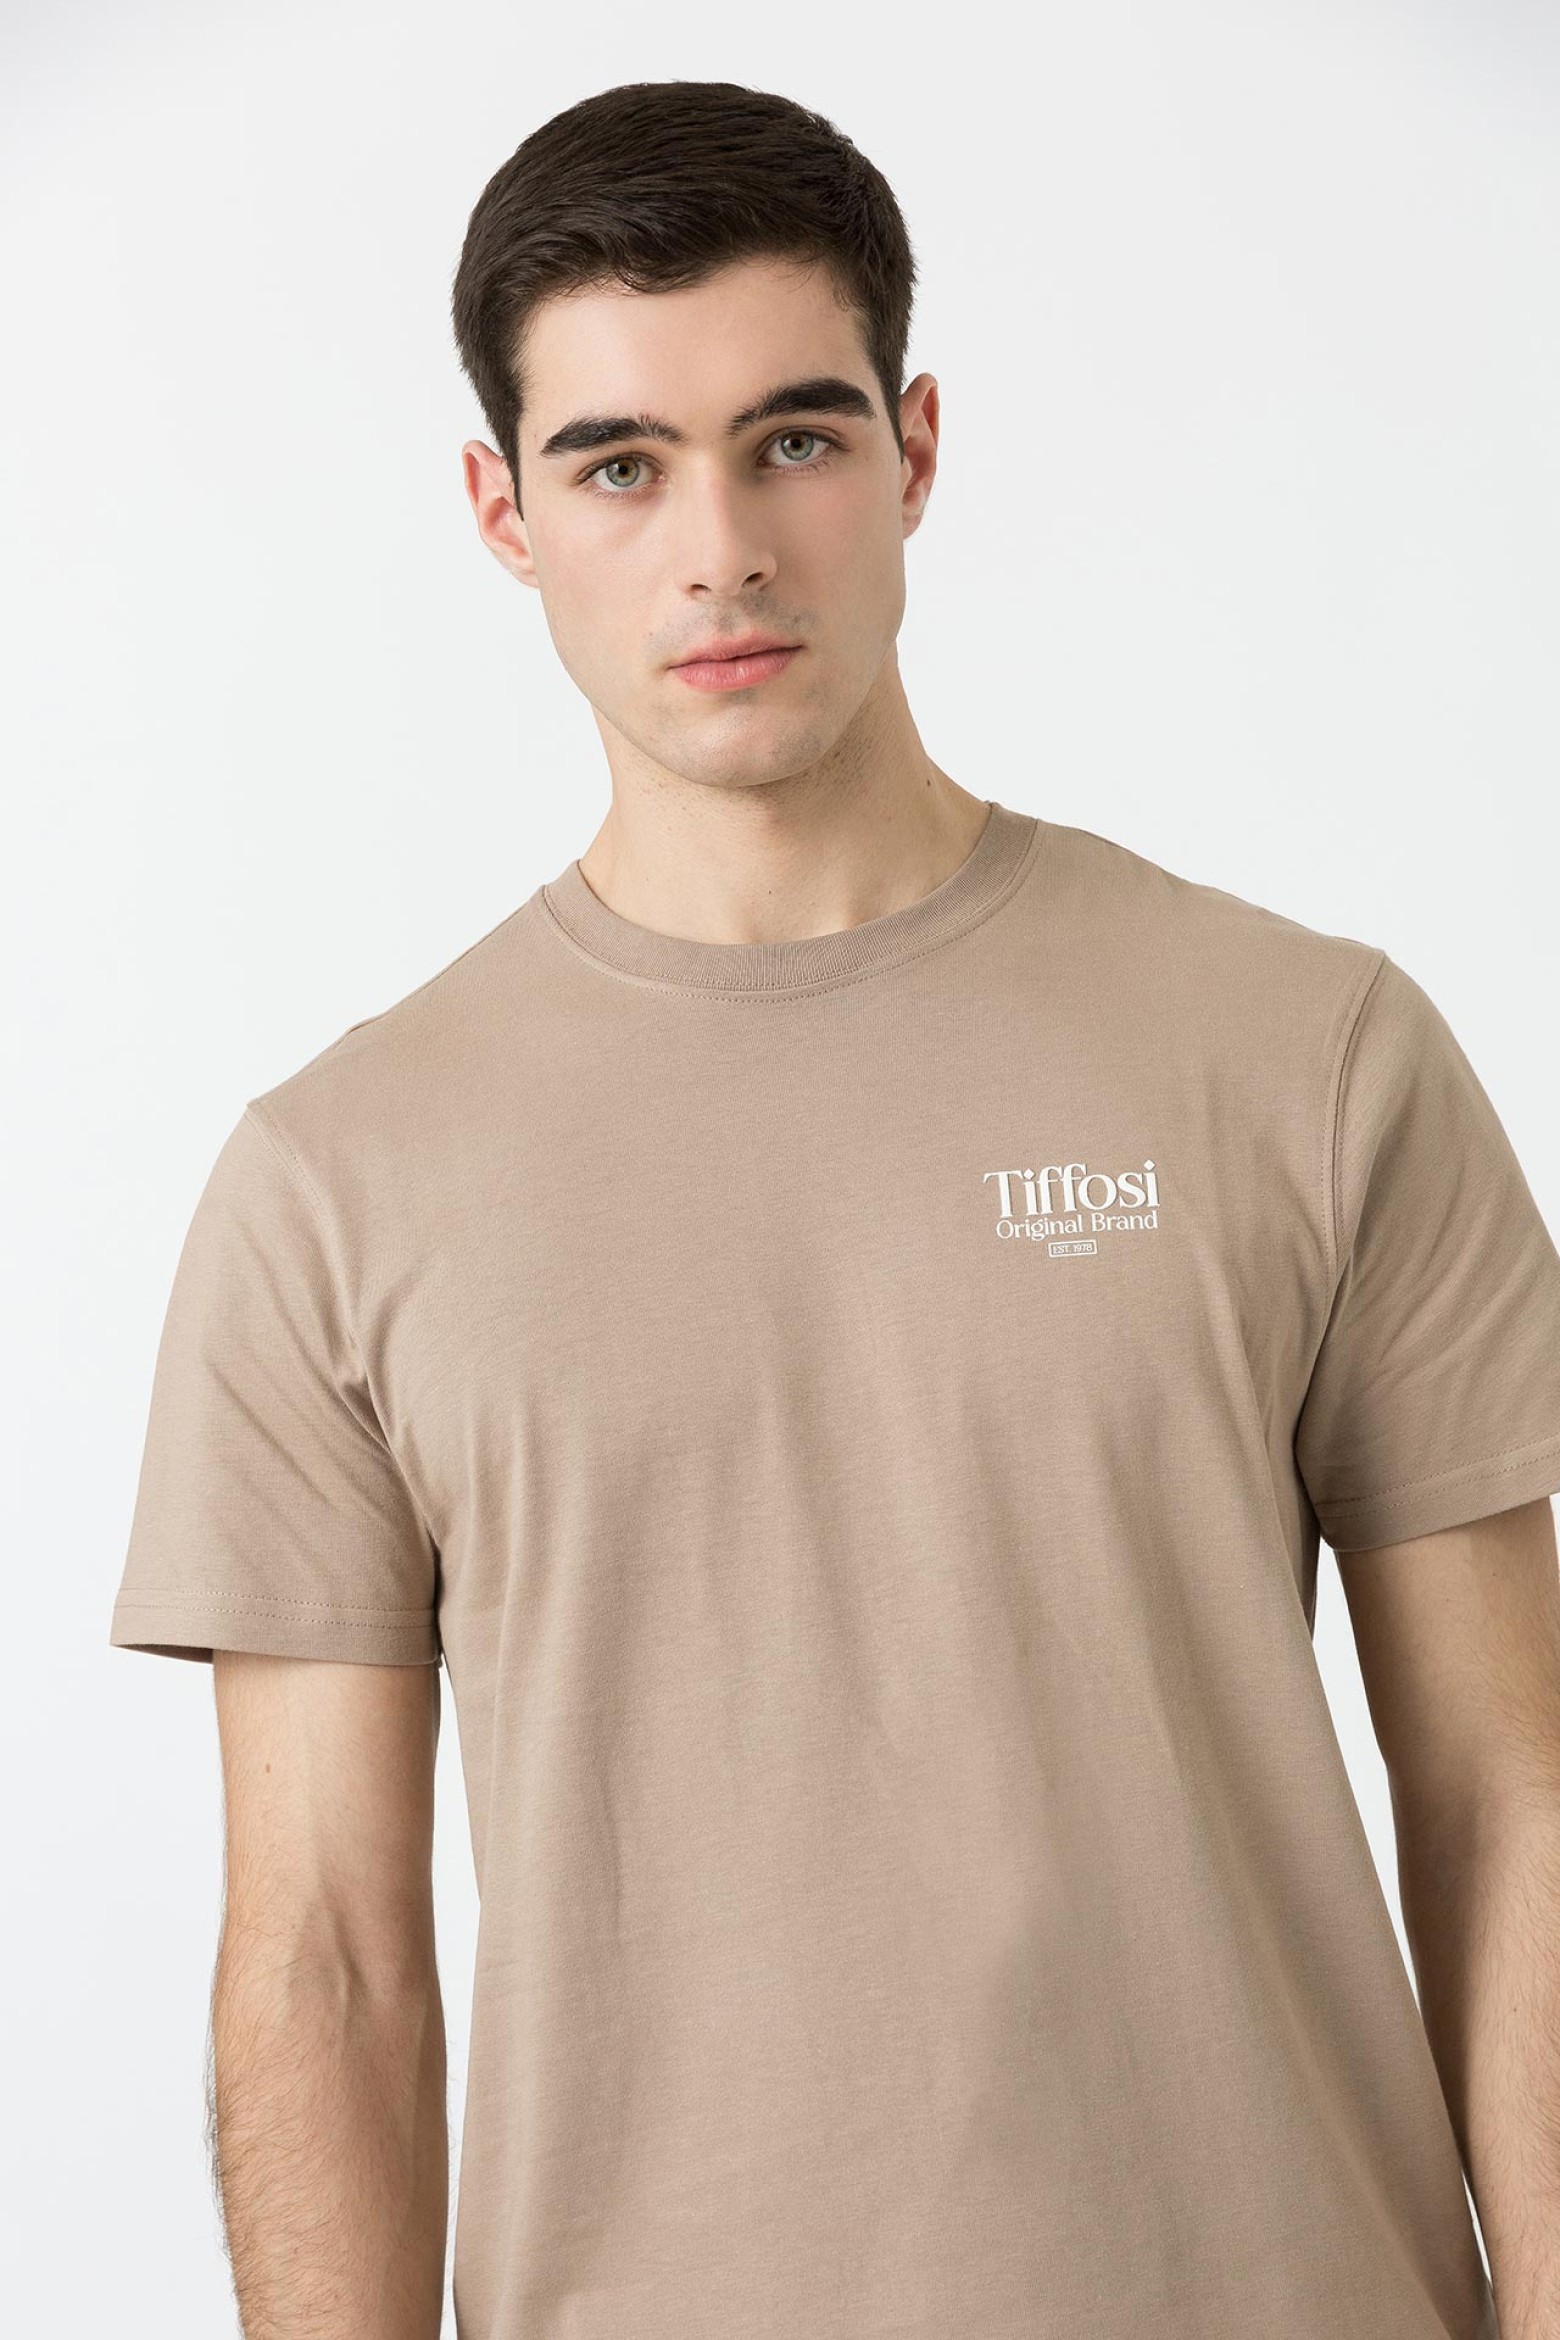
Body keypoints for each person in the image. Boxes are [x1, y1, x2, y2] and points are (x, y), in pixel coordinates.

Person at [110, 78, 1560, 2340]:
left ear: (916, 451)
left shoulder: (1310, 1052)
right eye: (620, 464)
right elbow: (324, 1962)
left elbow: (1510, 1801)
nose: (721, 549)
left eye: (792, 439)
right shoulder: (335, 1188)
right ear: (503, 513)